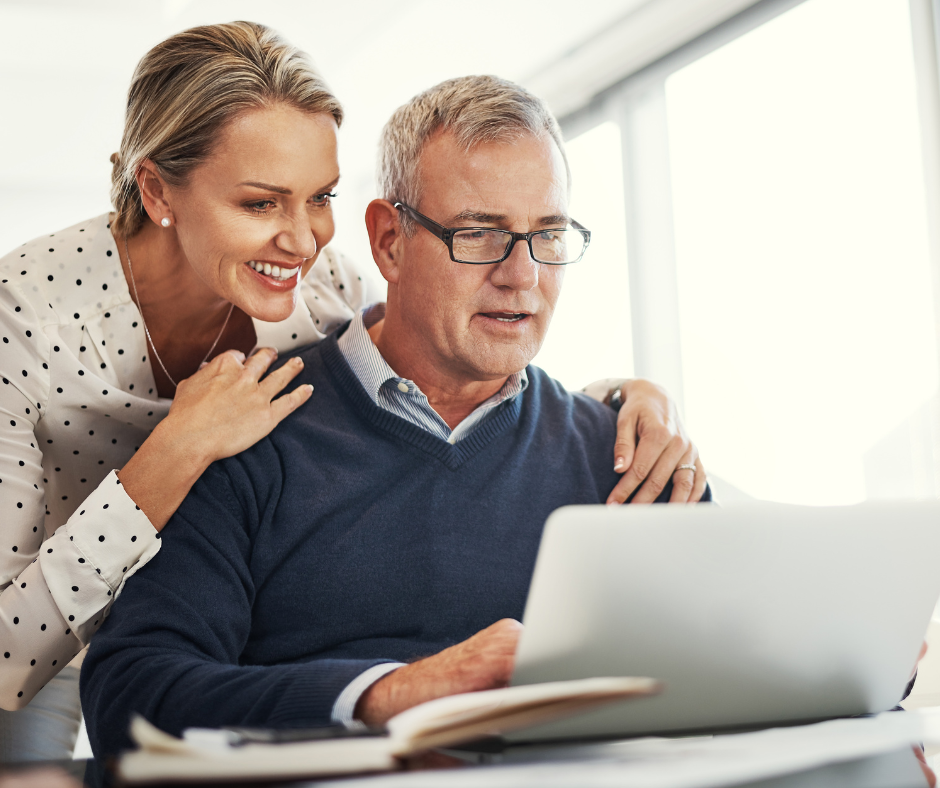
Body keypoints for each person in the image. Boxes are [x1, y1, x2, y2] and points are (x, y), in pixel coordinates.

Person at [0, 23, 706, 761]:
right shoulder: (30, 322)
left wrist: (618, 403)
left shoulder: (320, 287)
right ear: (156, 190)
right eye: (260, 203)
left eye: (320, 198)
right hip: (32, 634)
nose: (303, 240)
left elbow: (436, 350)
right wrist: (177, 451)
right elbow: (47, 666)